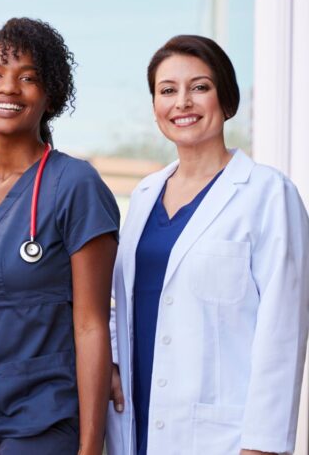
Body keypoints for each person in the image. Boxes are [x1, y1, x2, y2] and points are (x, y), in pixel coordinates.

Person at [106, 35, 309, 455]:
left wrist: (261, 445)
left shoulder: (267, 193)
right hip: (136, 423)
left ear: (226, 100)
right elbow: (122, 301)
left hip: (224, 437)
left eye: (199, 87)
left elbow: (283, 330)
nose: (182, 102)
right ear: (156, 107)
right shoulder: (144, 195)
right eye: (167, 91)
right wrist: (109, 360)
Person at [0, 18, 119, 455]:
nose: (9, 89)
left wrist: (90, 447)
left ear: (50, 94)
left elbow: (92, 324)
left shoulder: (75, 185)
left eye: (28, 78)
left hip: (43, 422)